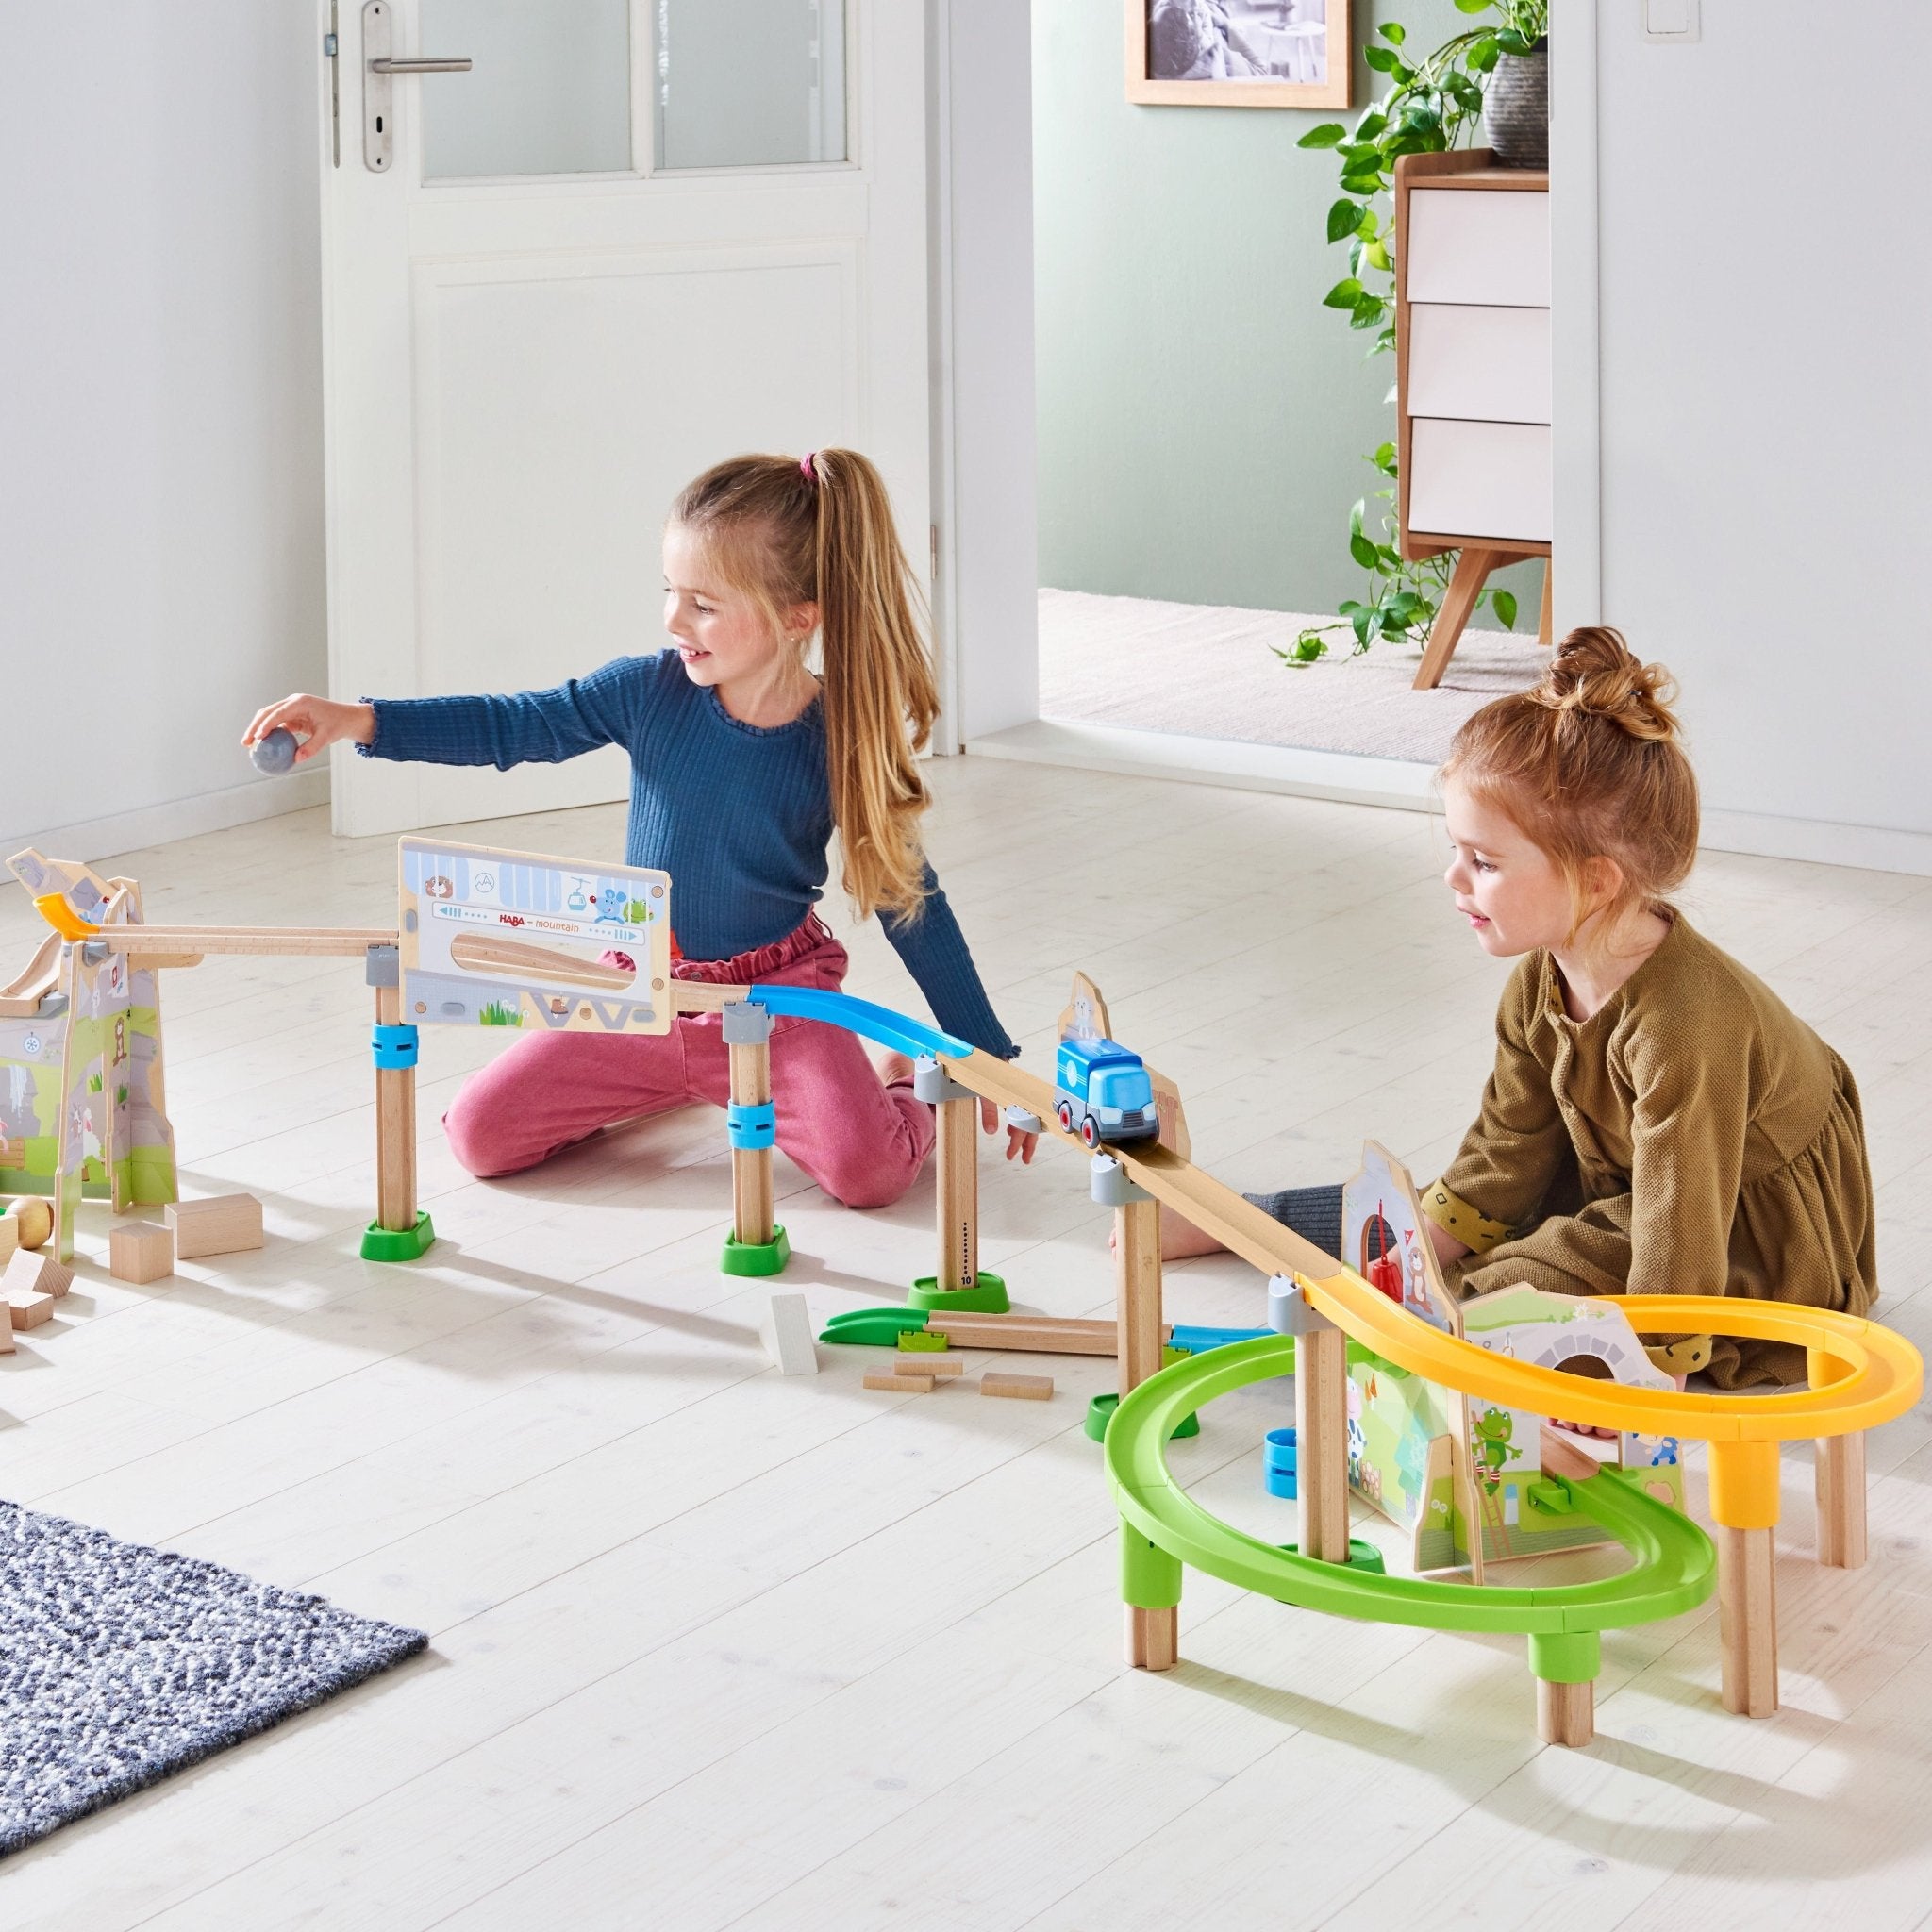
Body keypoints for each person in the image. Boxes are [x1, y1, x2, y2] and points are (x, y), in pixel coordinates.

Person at [242, 448, 1036, 1208]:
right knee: (480, 1137)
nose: (673, 619)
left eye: (703, 605)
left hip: (778, 1003)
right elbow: (515, 725)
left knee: (871, 1176)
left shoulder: (841, 740)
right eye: (670, 591)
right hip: (642, 985)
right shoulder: (646, 691)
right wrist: (359, 720)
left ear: (798, 617)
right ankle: (676, 1079)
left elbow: (909, 901)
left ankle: (895, 1081)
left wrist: (986, 1052)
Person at [1165, 627, 1876, 1390]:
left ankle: (1437, 1323)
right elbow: (1505, 1152)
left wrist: (1651, 1373)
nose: (1454, 878)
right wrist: (1411, 1258)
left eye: (1484, 862)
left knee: (1529, 1277)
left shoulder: (1684, 1026)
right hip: (1630, 1185)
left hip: (1732, 1227)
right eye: (1456, 851)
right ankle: (1248, 1220)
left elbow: (1680, 1230)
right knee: (1433, 1218)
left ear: (1595, 882)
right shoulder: (1539, 981)